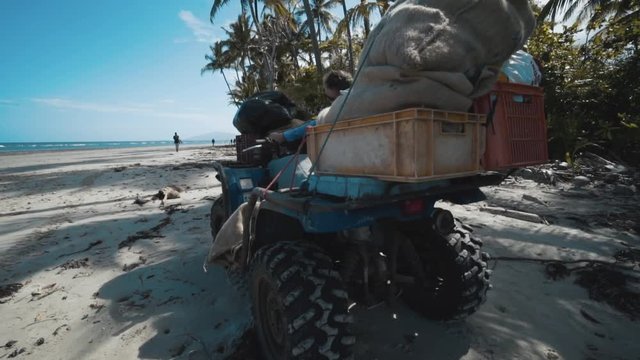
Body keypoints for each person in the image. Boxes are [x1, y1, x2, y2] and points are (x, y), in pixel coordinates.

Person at [268, 70, 353, 143]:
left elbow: (316, 124)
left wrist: (283, 136)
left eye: (330, 98)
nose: (331, 102)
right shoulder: (357, 102)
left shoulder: (340, 109)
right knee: (295, 122)